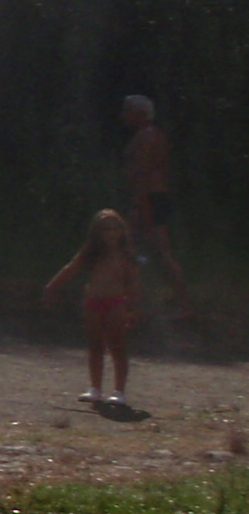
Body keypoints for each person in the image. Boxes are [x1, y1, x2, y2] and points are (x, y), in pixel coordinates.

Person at [43, 208, 146, 409]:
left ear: (122, 231)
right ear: (97, 232)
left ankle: (119, 391)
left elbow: (133, 283)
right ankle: (95, 388)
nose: (111, 233)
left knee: (117, 346)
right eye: (106, 229)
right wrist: (52, 287)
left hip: (116, 303)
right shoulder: (90, 253)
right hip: (93, 303)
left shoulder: (126, 256)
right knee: (95, 346)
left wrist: (132, 308)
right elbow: (71, 268)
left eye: (115, 229)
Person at [120, 96, 193, 316]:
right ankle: (178, 303)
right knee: (150, 251)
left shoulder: (147, 136)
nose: (124, 116)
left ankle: (132, 302)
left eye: (128, 111)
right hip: (152, 197)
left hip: (147, 198)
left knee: (132, 248)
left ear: (141, 113)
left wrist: (138, 203)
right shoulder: (152, 135)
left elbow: (142, 171)